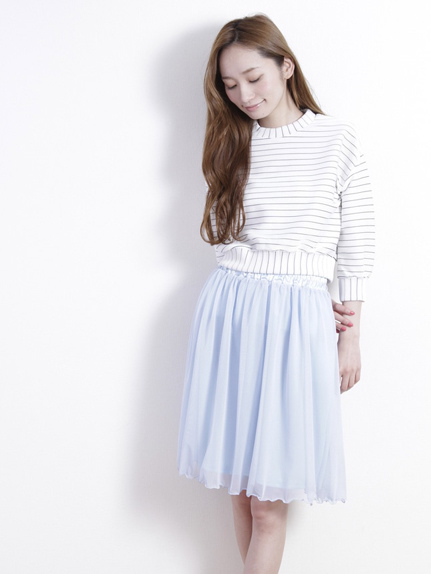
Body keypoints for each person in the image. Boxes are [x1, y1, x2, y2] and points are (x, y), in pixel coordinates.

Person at [177, 13, 374, 574]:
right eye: (230, 85)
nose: (244, 95)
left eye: (253, 77)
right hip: (232, 309)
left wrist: (351, 337)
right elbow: (228, 237)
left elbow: (357, 242)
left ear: (286, 66)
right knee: (241, 490)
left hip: (297, 317)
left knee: (268, 501)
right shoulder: (232, 142)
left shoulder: (336, 140)